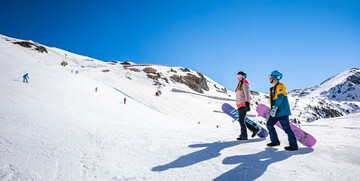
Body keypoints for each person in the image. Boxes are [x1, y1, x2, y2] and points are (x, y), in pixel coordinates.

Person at [266, 70, 298, 151]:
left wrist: (275, 107)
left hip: (282, 111)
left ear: (274, 78)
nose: (269, 78)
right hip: (275, 112)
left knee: (287, 128)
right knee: (269, 124)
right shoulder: (272, 88)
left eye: (270, 77)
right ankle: (275, 141)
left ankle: (294, 146)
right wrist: (273, 109)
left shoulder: (281, 86)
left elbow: (280, 98)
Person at [235, 71, 260, 141]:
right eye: (237, 76)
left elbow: (247, 94)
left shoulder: (244, 84)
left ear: (243, 76)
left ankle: (244, 136)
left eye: (239, 76)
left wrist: (247, 104)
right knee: (242, 120)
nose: (238, 78)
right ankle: (254, 129)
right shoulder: (239, 84)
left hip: (243, 104)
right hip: (240, 105)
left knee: (241, 120)